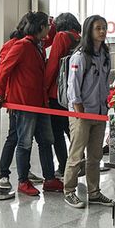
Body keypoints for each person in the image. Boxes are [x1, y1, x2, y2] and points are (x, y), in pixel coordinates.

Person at [0, 11, 60, 197]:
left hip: (40, 103)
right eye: (47, 24)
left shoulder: (37, 45)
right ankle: (23, 181)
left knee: (46, 141)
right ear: (40, 27)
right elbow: (4, 69)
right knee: (24, 143)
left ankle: (49, 178)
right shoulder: (21, 46)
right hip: (24, 104)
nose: (49, 28)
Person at [63, 15, 113, 209]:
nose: (102, 32)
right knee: (76, 155)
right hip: (82, 113)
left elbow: (105, 83)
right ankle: (69, 190)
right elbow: (73, 89)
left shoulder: (105, 55)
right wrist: (80, 113)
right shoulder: (80, 56)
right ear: (89, 31)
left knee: (95, 156)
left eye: (104, 28)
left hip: (100, 112)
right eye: (98, 28)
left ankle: (94, 191)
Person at [44, 12, 81, 179]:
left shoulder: (62, 36)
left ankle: (64, 165)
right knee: (73, 131)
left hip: (57, 94)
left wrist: (44, 87)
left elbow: (53, 64)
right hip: (76, 93)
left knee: (57, 133)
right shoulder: (80, 38)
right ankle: (80, 163)